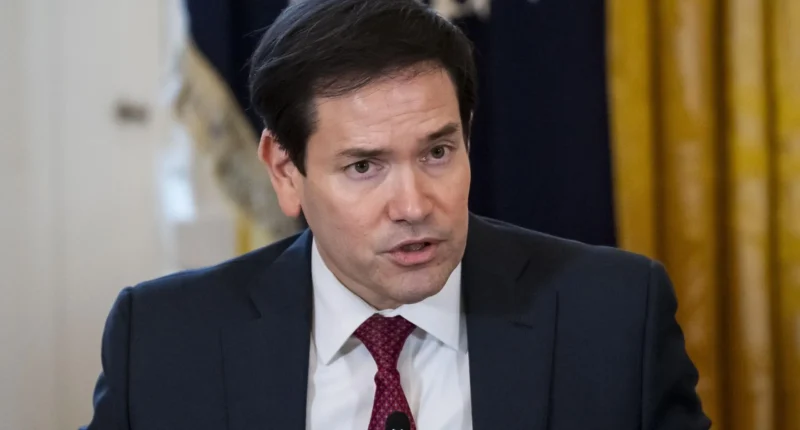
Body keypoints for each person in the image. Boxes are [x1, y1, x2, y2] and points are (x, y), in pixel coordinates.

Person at [82, 0, 710, 429]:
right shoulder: (166, 342)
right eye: (364, 166)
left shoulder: (614, 316)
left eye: (437, 153)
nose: (413, 206)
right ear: (285, 171)